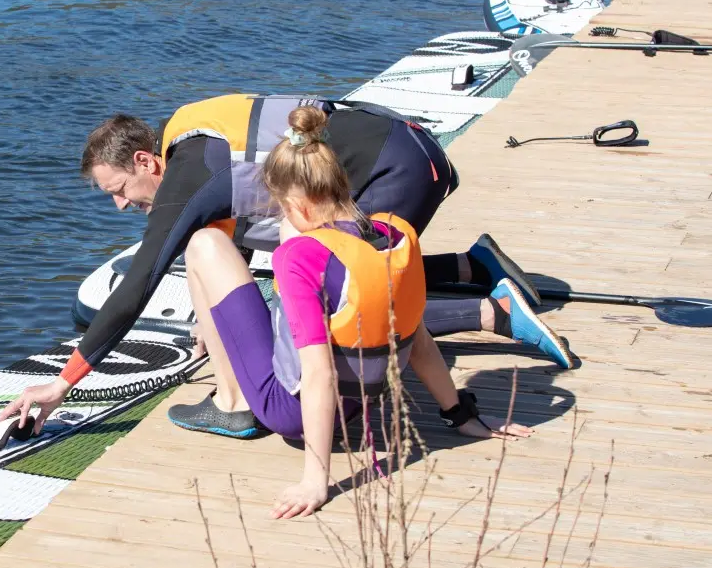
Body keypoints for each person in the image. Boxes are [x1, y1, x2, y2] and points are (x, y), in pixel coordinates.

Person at [0, 94, 570, 435]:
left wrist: (64, 384)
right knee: (353, 275)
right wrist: (212, 318)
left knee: (357, 296)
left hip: (392, 172)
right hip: (405, 148)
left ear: (146, 160)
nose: (122, 205)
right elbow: (230, 225)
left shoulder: (190, 167)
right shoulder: (195, 134)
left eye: (118, 189)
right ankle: (474, 267)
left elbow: (143, 278)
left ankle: (489, 311)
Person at [172, 105, 533, 518]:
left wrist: (316, 479)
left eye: (283, 208)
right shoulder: (396, 236)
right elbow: (416, 339)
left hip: (289, 412)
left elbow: (319, 372)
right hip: (361, 402)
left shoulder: (298, 259)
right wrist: (460, 415)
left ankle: (232, 402)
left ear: (300, 205)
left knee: (204, 243)